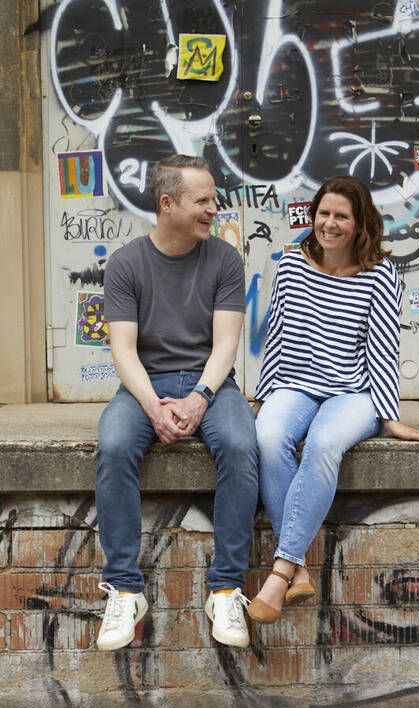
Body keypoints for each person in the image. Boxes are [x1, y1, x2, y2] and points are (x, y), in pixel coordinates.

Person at [248, 175, 419, 624]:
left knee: (323, 445)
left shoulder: (380, 275)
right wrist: (262, 396)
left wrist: (389, 417)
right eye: (323, 213)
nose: (329, 224)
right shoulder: (292, 264)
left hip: (353, 391)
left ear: (360, 223)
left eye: (341, 216)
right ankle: (300, 570)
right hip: (296, 383)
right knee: (268, 437)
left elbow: (382, 347)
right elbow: (278, 337)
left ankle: (280, 572)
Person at [95, 155, 258, 650]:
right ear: (167, 204)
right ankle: (124, 589)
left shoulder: (226, 259)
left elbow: (226, 344)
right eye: (203, 201)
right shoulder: (126, 263)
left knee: (239, 445)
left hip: (210, 383)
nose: (215, 208)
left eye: (214, 198)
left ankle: (225, 588)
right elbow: (123, 349)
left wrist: (200, 398)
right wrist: (151, 406)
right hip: (145, 382)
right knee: (114, 445)